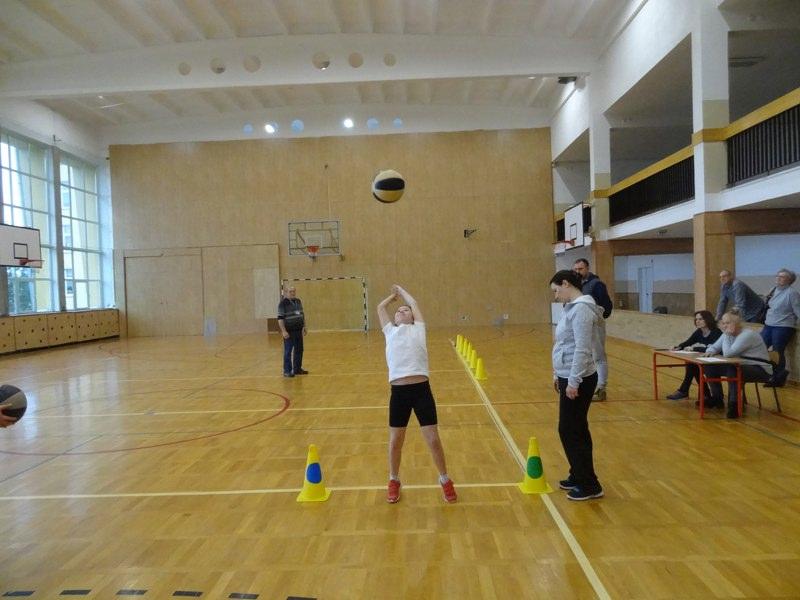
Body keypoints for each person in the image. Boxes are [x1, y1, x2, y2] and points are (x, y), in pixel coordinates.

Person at [377, 284, 456, 504]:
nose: (402, 311)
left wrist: (402, 292)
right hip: (399, 393)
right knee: (396, 441)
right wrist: (392, 297)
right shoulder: (390, 331)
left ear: (413, 317)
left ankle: (445, 479)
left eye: (406, 310)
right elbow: (380, 308)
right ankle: (393, 480)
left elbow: (414, 303)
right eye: (398, 311)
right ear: (395, 319)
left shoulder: (418, 328)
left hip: (421, 391)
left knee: (433, 439)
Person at [550, 269, 604, 501]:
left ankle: (590, 484)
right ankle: (577, 474)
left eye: (556, 291)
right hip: (567, 374)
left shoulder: (581, 309)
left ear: (566, 284)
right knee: (575, 428)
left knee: (570, 429)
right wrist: (557, 374)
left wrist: (573, 381)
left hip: (579, 378)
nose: (556, 296)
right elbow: (562, 344)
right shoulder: (570, 308)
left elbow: (582, 348)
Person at [704, 311, 772, 419]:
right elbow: (714, 347)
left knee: (733, 369)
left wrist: (726, 335)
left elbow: (728, 354)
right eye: (723, 323)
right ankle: (717, 398)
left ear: (737, 323)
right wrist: (711, 350)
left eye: (728, 323)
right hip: (741, 365)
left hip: (760, 369)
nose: (725, 326)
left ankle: (734, 405)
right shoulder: (727, 334)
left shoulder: (747, 335)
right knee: (709, 366)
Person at [573, 258, 612, 401]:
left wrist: (597, 317)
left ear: (587, 268)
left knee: (598, 356)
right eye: (576, 269)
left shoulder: (596, 284)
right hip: (581, 324)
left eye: (580, 269)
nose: (578, 272)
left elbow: (607, 306)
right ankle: (586, 385)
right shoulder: (576, 285)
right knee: (583, 355)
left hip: (595, 325)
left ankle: (601, 388)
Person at [665, 310, 723, 405]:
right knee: (692, 365)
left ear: (707, 319)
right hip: (705, 360)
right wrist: (678, 347)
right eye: (696, 319)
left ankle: (687, 391)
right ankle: (703, 394)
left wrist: (695, 348)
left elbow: (713, 348)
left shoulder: (716, 332)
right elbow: (689, 342)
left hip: (717, 361)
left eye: (700, 319)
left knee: (693, 366)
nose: (697, 321)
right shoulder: (699, 332)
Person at [761, 268, 800, 388]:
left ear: (789, 280)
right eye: (777, 275)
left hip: (783, 326)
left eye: (782, 276)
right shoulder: (773, 290)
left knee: (777, 351)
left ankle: (778, 378)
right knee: (760, 346)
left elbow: (798, 310)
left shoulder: (792, 293)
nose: (778, 278)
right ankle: (771, 374)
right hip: (769, 324)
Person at [277, 285, 308, 377]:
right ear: (286, 293)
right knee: (288, 351)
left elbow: (302, 315)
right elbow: (280, 318)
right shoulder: (282, 303)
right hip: (289, 331)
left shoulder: (298, 301)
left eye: (294, 291)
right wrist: (283, 331)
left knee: (299, 350)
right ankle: (287, 371)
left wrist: (304, 326)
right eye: (290, 291)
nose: (293, 293)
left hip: (298, 330)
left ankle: (297, 369)